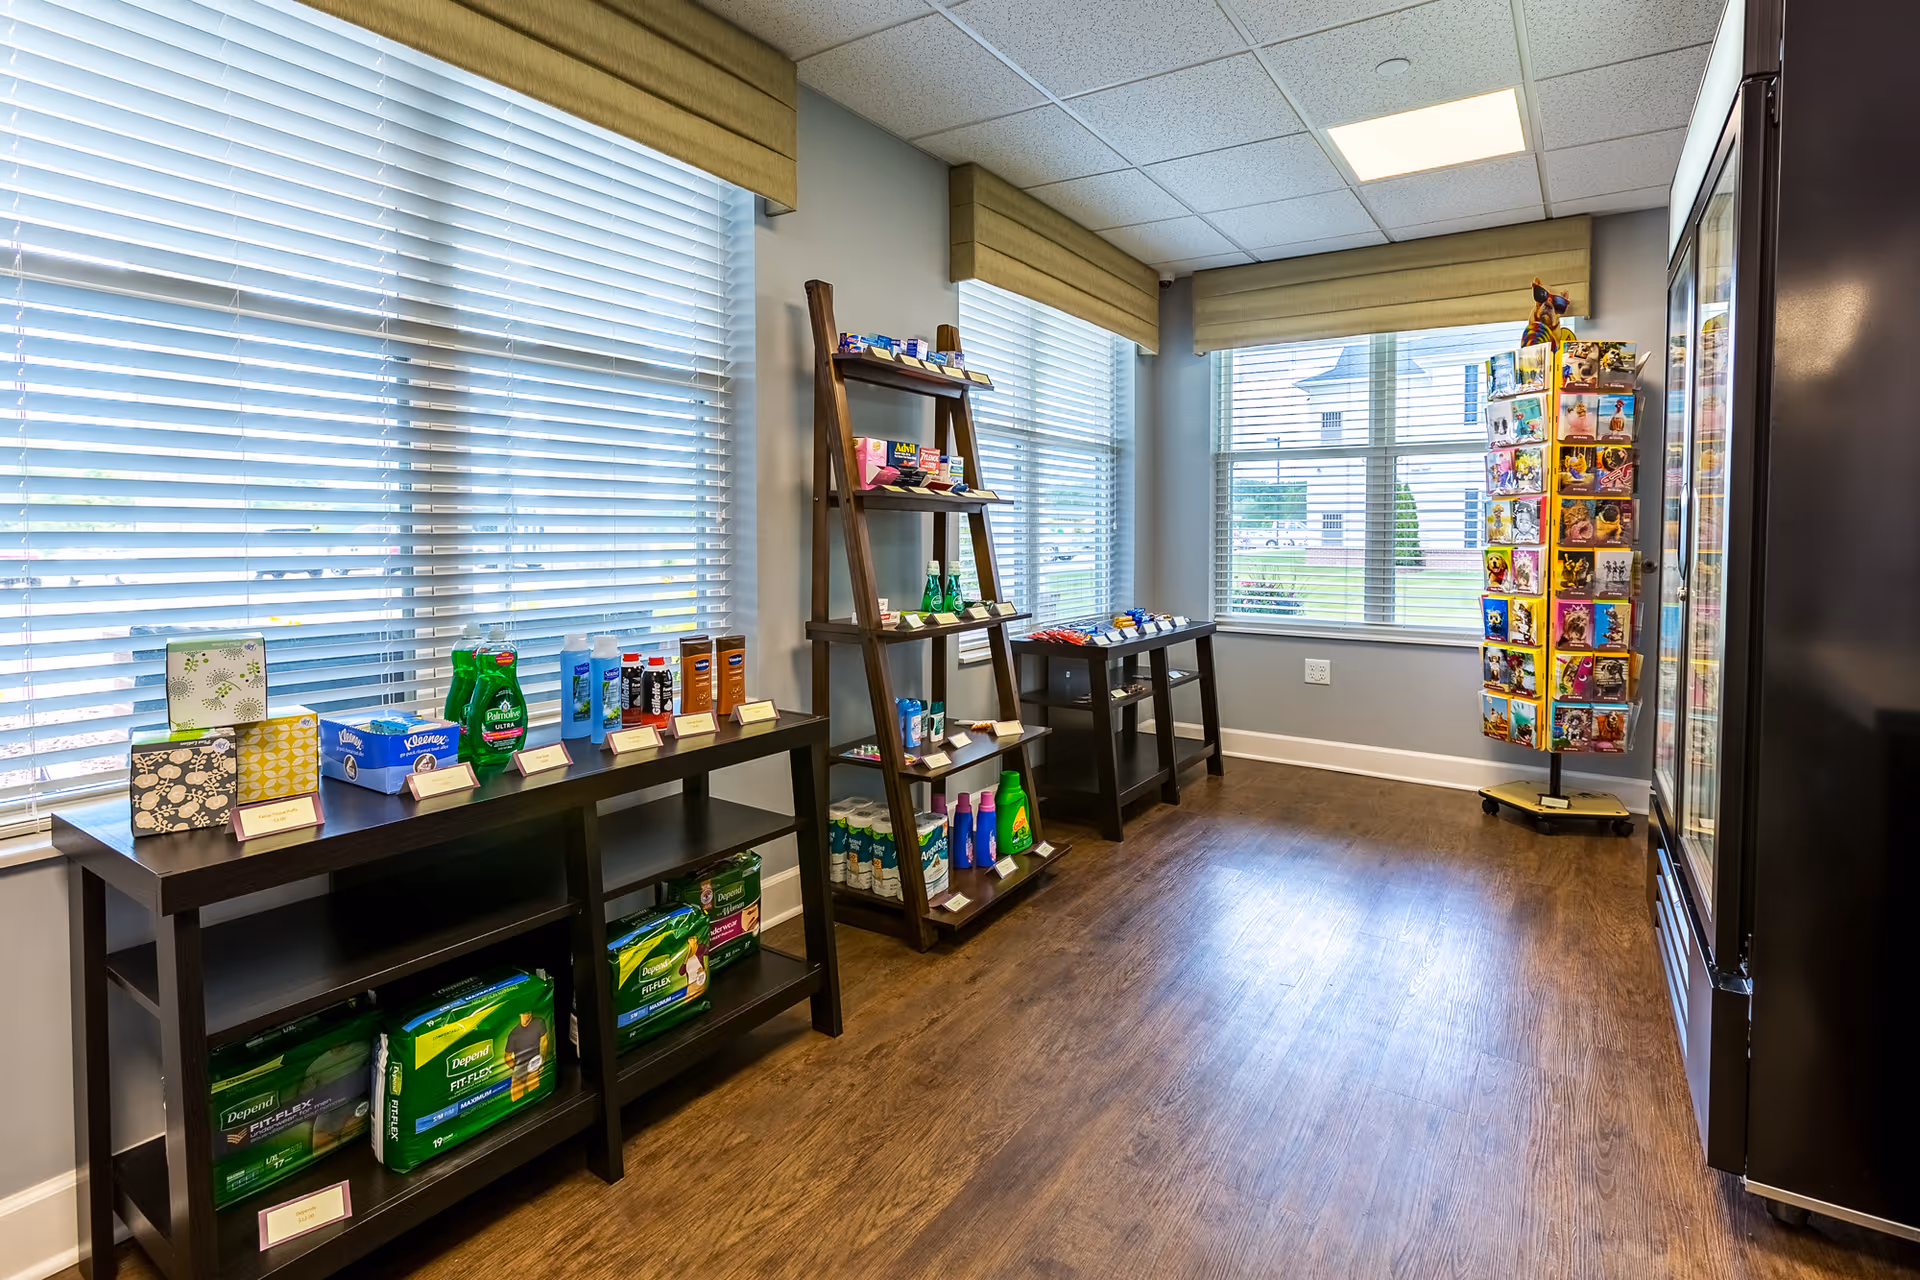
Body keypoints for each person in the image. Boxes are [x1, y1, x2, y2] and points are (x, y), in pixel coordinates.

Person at [505, 1009, 548, 1101]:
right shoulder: (514, 1034)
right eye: (524, 1013)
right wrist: (517, 1068)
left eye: (529, 1012)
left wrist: (542, 1060)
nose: (527, 1015)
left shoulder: (539, 1023)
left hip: (534, 1062)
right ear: (520, 1014)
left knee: (534, 1088)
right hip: (519, 1066)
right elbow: (507, 1057)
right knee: (516, 1093)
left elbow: (544, 1041)